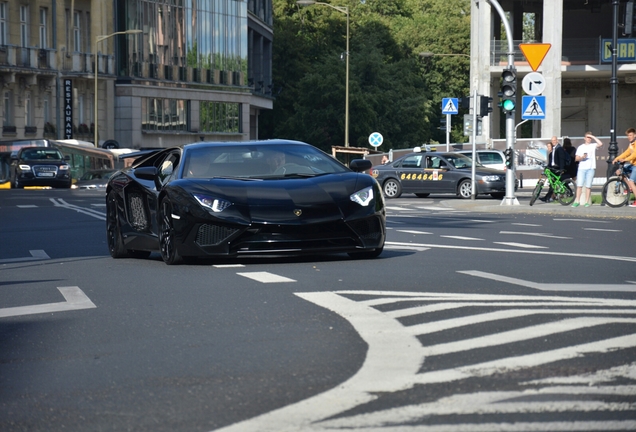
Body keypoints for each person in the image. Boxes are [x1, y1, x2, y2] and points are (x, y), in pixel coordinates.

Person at [572, 132, 603, 208]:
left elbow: (600, 143)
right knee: (579, 186)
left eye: (590, 138)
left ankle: (586, 201)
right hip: (582, 168)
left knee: (588, 186)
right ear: (584, 138)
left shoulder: (593, 146)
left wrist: (592, 136)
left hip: (590, 168)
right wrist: (582, 157)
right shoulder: (581, 147)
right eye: (587, 137)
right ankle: (577, 201)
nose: (589, 139)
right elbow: (576, 158)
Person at [612, 127, 636, 207]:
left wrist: (625, 159)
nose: (629, 137)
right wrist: (616, 158)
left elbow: (634, 155)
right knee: (619, 172)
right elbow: (626, 153)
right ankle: (629, 187)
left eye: (631, 135)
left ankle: (631, 186)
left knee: (632, 181)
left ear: (634, 135)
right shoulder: (631, 145)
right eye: (628, 135)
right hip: (633, 165)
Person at [540, 136, 569, 202]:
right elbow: (552, 161)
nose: (553, 141)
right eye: (552, 140)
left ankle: (548, 197)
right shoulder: (554, 149)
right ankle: (548, 197)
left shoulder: (559, 148)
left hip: (557, 168)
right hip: (553, 168)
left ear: (557, 140)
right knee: (552, 183)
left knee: (553, 183)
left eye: (554, 140)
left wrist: (562, 169)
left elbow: (562, 159)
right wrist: (548, 167)